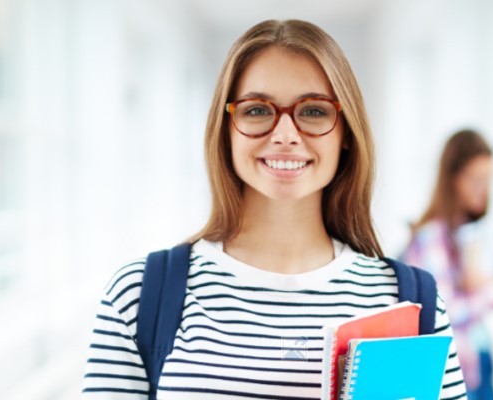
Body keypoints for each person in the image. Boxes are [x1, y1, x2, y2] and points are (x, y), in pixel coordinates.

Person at [80, 20, 467, 399]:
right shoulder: (139, 294)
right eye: (257, 110)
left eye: (314, 111)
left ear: (346, 131)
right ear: (225, 129)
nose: (285, 135)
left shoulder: (410, 303)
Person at [402, 129, 493, 400]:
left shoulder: (473, 231)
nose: (483, 189)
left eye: (489, 180)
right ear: (451, 179)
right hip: (455, 367)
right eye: (475, 179)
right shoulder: (431, 236)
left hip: (481, 358)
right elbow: (447, 314)